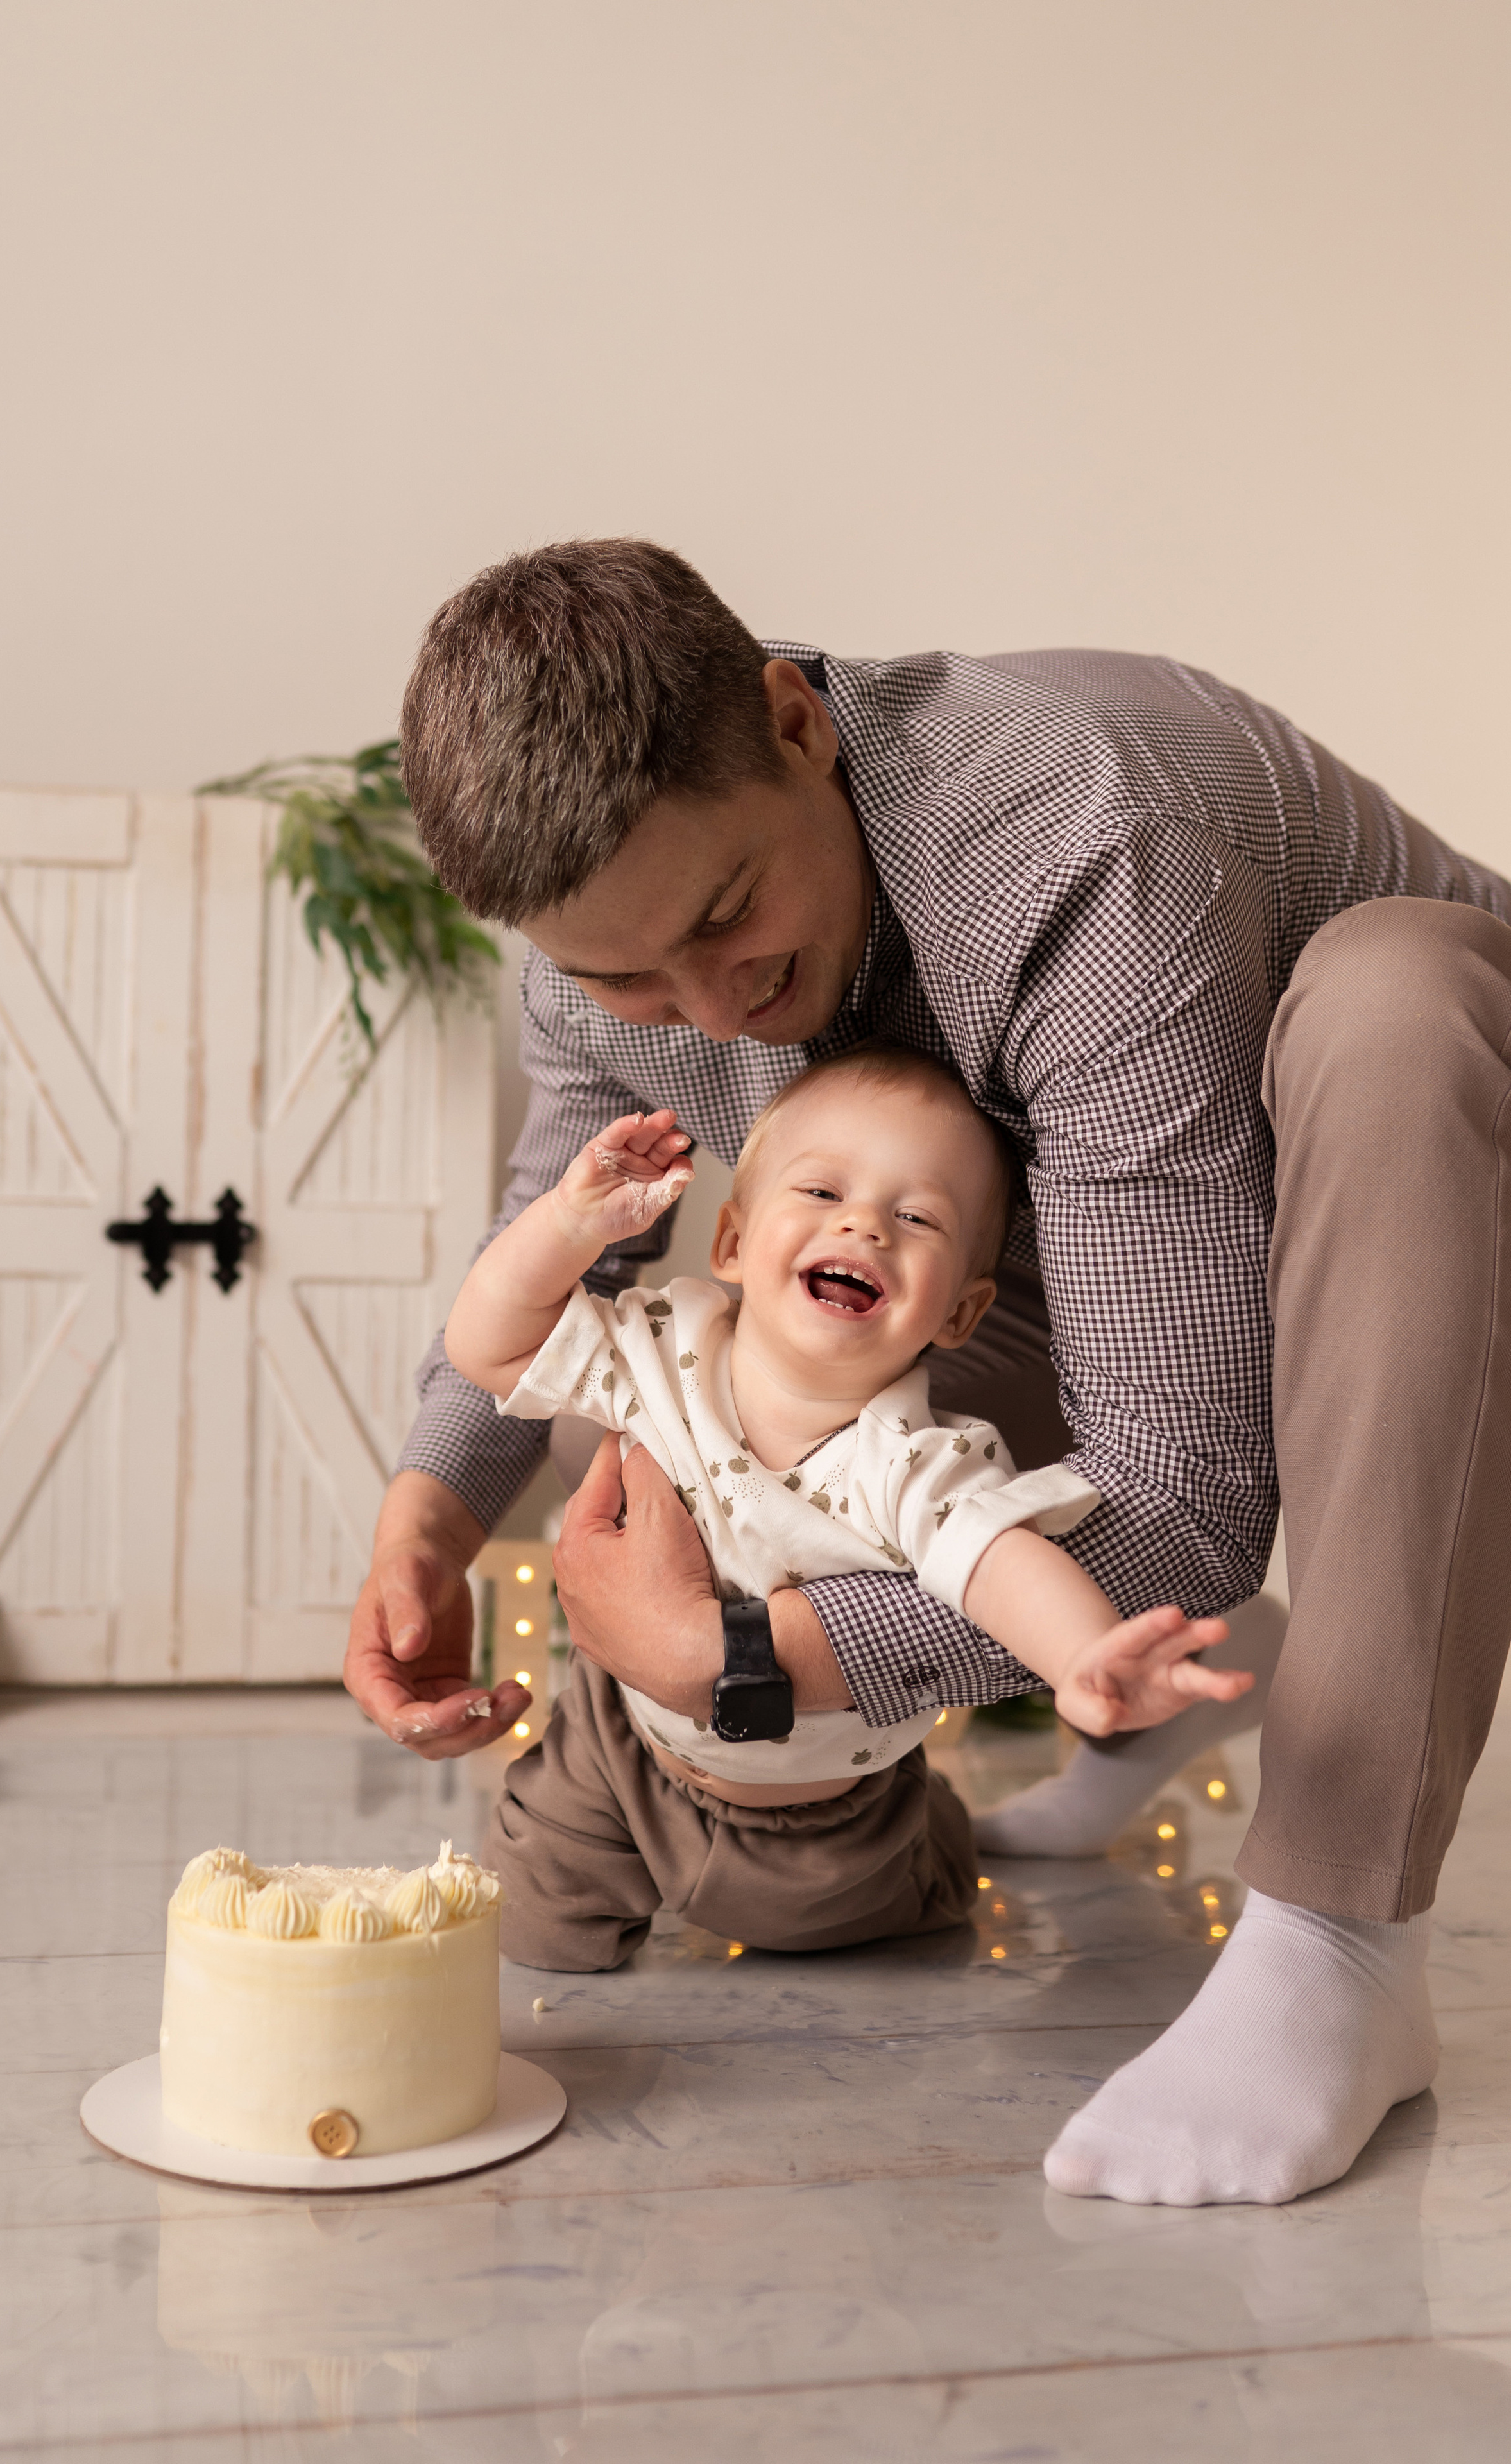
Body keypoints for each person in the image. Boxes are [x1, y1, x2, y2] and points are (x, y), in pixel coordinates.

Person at [345, 538, 1511, 2208]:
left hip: (1454, 1146)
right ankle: (1172, 1709)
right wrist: (429, 1519)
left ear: (793, 725)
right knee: (830, 1336)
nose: (708, 1010)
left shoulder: (1080, 855)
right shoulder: (613, 961)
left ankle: (1339, 1932)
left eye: (730, 916)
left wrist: (742, 1657)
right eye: (621, 978)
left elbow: (1183, 1506)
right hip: (1162, 1208)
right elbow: (565, 1206)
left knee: (1394, 1000)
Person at [440, 1054, 1245, 1968]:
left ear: (960, 1312)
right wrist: (567, 1224)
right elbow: (485, 1343)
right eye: (822, 1190)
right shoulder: (662, 1345)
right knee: (534, 1935)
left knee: (833, 1933)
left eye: (917, 1217)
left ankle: (930, 1834)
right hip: (617, 1744)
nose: (863, 1223)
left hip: (820, 1811)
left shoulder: (916, 1458)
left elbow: (1000, 1566)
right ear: (733, 1242)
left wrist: (1085, 1658)